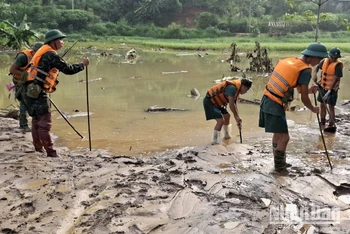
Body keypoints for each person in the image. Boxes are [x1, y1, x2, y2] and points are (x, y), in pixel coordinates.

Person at [259, 42, 328, 174]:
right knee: (285, 138)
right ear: (312, 57)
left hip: (267, 99)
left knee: (278, 134)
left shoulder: (290, 61)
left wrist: (309, 90)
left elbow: (293, 86)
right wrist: (313, 109)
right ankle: (279, 169)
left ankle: (280, 162)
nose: (319, 62)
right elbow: (303, 98)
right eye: (319, 59)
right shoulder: (305, 70)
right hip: (274, 104)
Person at [21, 29, 90, 157]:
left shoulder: (43, 52)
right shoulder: (51, 55)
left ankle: (38, 148)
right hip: (36, 91)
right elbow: (68, 69)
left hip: (28, 90)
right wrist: (83, 65)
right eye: (60, 40)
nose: (62, 42)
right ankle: (51, 152)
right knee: (44, 123)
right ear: (53, 42)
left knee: (36, 120)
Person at [203, 78, 253, 144]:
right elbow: (231, 105)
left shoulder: (236, 90)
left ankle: (227, 136)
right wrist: (236, 116)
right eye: (246, 89)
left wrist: (237, 118)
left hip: (218, 103)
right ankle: (215, 142)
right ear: (243, 86)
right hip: (210, 101)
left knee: (227, 116)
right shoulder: (232, 88)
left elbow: (234, 105)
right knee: (220, 121)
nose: (246, 92)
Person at [9, 42, 43, 131]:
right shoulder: (23, 57)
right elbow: (12, 69)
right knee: (24, 102)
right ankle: (23, 125)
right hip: (20, 82)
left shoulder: (40, 58)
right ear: (34, 51)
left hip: (31, 82)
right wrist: (27, 76)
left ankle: (34, 123)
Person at [313, 47, 343, 131]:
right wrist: (314, 74)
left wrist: (329, 91)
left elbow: (336, 78)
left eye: (336, 58)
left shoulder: (338, 65)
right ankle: (322, 122)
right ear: (329, 55)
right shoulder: (324, 61)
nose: (334, 59)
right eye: (332, 57)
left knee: (331, 107)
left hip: (332, 89)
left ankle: (331, 124)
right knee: (322, 105)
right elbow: (317, 67)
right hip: (322, 87)